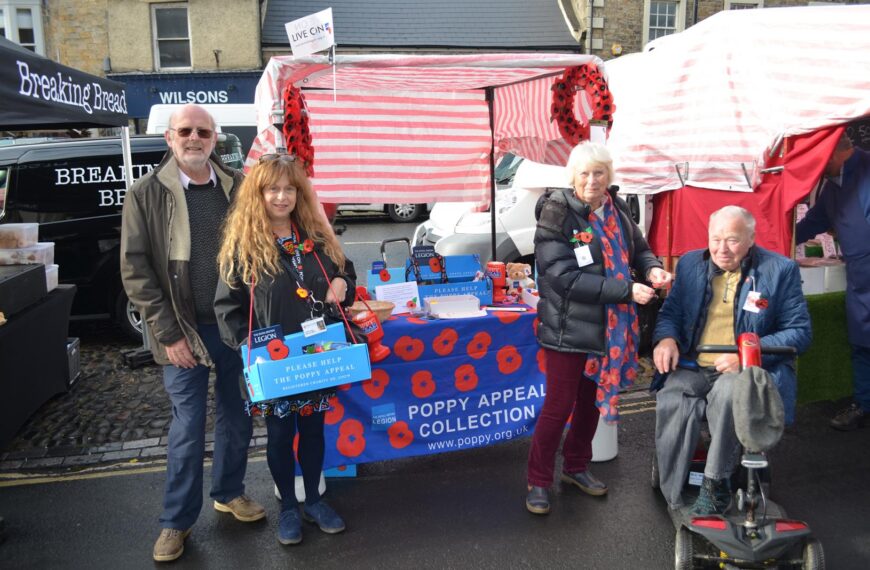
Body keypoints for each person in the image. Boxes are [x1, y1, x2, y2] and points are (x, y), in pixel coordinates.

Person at [121, 104, 264, 563]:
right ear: (170, 137)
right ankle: (175, 522)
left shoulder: (237, 187)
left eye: (203, 131)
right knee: (187, 428)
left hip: (231, 328)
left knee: (237, 415)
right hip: (181, 331)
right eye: (186, 131)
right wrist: (167, 335)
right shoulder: (145, 193)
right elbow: (136, 271)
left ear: (214, 137)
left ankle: (229, 491)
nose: (195, 138)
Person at [214, 153, 356, 545]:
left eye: (289, 188)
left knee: (313, 431)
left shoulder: (314, 236)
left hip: (317, 355)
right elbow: (226, 308)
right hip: (274, 363)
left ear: (299, 192)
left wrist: (343, 284)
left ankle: (313, 500)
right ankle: (288, 510)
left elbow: (344, 273)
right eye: (272, 189)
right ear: (257, 194)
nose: (281, 197)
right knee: (279, 436)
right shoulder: (243, 248)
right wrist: (248, 348)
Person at [526, 142, 671, 515]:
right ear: (573, 176)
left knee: (590, 404)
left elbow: (639, 247)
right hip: (568, 329)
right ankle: (538, 480)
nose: (593, 181)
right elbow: (563, 278)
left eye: (600, 173)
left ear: (610, 175)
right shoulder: (557, 213)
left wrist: (652, 267)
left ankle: (576, 467)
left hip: (609, 329)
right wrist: (625, 291)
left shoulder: (616, 206)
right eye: (585, 173)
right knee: (558, 407)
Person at [653, 206, 812, 515]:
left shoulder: (779, 270)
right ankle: (673, 488)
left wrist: (746, 355)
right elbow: (670, 312)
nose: (722, 249)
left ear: (751, 238)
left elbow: (800, 332)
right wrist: (666, 339)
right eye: (715, 239)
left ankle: (716, 484)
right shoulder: (689, 264)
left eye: (732, 240)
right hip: (694, 364)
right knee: (672, 397)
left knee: (729, 395)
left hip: (742, 369)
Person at [796, 133, 870, 431]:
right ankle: (864, 405)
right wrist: (773, 245)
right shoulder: (831, 186)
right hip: (859, 278)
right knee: (861, 344)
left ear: (838, 151)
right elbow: (813, 222)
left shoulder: (866, 172)